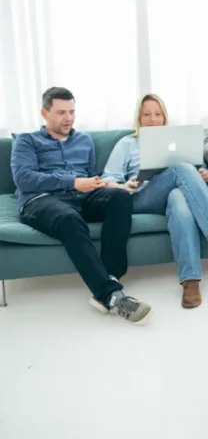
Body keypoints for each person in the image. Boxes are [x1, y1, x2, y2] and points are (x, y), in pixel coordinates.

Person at [10, 87, 151, 323]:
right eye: (61, 112)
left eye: (72, 112)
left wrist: (113, 186)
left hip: (81, 198)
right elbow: (24, 179)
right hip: (40, 201)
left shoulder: (84, 141)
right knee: (68, 218)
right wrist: (73, 182)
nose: (69, 118)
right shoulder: (27, 141)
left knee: (121, 198)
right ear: (44, 113)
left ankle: (112, 275)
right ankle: (111, 296)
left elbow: (90, 177)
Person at [101, 93, 208, 309]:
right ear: (138, 118)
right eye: (147, 114)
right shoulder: (127, 143)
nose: (152, 119)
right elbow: (107, 179)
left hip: (171, 193)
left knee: (179, 196)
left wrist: (204, 174)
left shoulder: (173, 140)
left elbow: (193, 170)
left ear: (164, 117)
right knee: (181, 168)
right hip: (141, 197)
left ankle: (190, 281)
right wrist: (125, 185)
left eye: (157, 114)